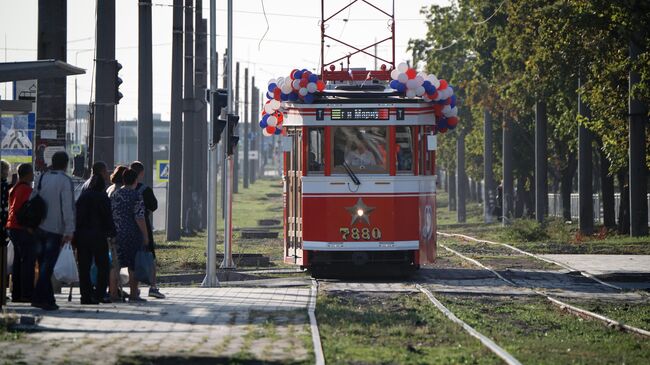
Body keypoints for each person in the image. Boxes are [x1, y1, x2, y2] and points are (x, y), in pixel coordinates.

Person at [31, 151, 75, 311]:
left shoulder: (42, 177)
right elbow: (67, 207)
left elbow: (33, 199)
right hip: (54, 229)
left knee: (43, 264)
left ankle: (48, 300)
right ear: (66, 164)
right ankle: (38, 297)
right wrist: (69, 230)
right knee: (47, 266)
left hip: (39, 227)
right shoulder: (64, 181)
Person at [75, 161, 115, 304]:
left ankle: (85, 296)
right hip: (98, 236)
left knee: (84, 266)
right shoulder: (102, 197)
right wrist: (112, 232)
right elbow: (108, 217)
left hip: (82, 236)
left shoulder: (83, 195)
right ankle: (99, 294)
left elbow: (77, 215)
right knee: (103, 265)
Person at [110, 168, 148, 303]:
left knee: (116, 264)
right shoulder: (136, 195)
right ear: (136, 181)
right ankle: (133, 294)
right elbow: (139, 217)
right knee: (133, 265)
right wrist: (145, 235)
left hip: (117, 233)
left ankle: (113, 294)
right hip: (132, 234)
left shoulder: (115, 194)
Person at [129, 161, 165, 299]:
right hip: (144, 226)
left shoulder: (122, 190)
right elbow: (153, 206)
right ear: (141, 173)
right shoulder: (145, 190)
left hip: (127, 228)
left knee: (129, 259)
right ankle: (153, 286)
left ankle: (133, 288)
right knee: (150, 256)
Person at [6, 164, 35, 303]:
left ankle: (17, 293)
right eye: (32, 172)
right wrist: (27, 227)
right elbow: (19, 209)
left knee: (18, 262)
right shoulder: (25, 189)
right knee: (27, 262)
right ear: (27, 174)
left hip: (13, 228)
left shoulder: (14, 188)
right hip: (21, 229)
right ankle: (26, 293)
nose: (34, 175)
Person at [106, 165, 127, 300]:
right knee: (116, 263)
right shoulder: (121, 191)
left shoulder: (110, 189)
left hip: (108, 229)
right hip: (118, 230)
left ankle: (114, 289)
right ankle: (114, 292)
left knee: (113, 261)